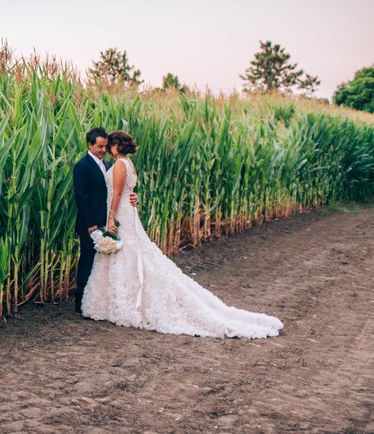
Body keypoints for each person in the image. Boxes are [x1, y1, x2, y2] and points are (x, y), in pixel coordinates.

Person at [82, 130, 283, 338]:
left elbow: (116, 193)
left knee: (127, 254)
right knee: (131, 253)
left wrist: (110, 218)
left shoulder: (119, 165)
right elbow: (129, 189)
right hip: (128, 211)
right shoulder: (129, 164)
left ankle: (126, 302)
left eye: (110, 145)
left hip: (120, 213)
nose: (107, 149)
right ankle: (123, 300)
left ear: (116, 146)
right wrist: (134, 199)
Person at [72, 127, 138, 313]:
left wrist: (133, 197)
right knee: (87, 260)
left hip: (111, 221)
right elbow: (81, 197)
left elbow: (120, 190)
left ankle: (102, 302)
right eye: (100, 146)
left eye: (105, 146)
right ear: (89, 145)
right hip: (91, 223)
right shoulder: (82, 166)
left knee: (105, 263)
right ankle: (81, 301)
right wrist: (91, 225)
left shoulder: (110, 165)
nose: (103, 150)